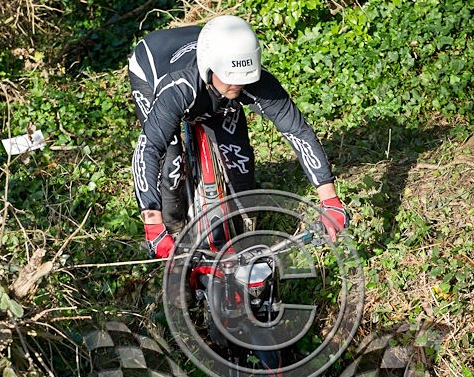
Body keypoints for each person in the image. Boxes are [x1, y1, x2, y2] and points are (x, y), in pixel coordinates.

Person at [129, 15, 349, 258]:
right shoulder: (179, 87)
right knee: (171, 163)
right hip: (153, 63)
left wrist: (330, 199)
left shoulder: (251, 78)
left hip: (210, 66)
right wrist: (153, 224)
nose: (237, 85)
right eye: (230, 78)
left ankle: (242, 223)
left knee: (239, 160)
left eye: (244, 79)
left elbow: (298, 131)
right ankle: (174, 230)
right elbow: (149, 149)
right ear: (210, 66)